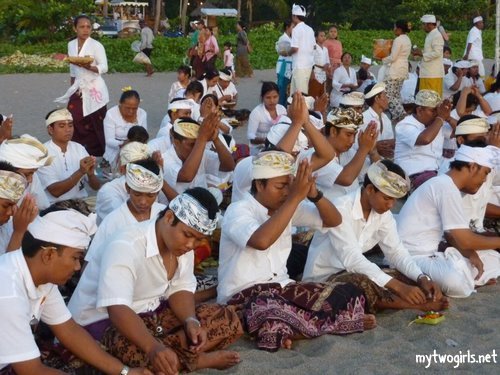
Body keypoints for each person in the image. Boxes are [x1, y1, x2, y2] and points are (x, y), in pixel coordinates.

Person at [69, 189, 243, 373]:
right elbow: (117, 309)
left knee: (228, 318)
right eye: (188, 235)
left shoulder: (182, 247)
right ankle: (196, 361)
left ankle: (176, 356)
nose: (191, 245)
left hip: (150, 315)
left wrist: (190, 321)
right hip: (104, 323)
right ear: (169, 218)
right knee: (136, 353)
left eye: (199, 240)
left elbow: (180, 288)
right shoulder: (126, 245)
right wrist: (153, 348)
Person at [218, 151, 375, 351]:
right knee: (266, 308)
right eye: (280, 186)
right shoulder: (238, 210)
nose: (286, 192)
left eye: (289, 186)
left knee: (349, 292)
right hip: (243, 296)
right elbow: (261, 240)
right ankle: (326, 325)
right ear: (259, 184)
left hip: (283, 289)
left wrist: (314, 194)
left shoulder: (288, 206)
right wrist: (294, 198)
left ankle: (291, 329)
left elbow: (334, 220)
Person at [0, 208, 151, 375]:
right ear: (48, 254)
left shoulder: (40, 279)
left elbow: (69, 330)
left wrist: (125, 372)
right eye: (75, 258)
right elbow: (31, 371)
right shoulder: (8, 292)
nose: (78, 267)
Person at [303, 160, 448, 313]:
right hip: (323, 278)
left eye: (394, 199)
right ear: (370, 189)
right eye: (387, 198)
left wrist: (422, 277)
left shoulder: (383, 215)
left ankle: (408, 296)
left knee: (403, 276)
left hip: (354, 271)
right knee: (361, 284)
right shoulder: (340, 208)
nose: (391, 205)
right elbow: (351, 258)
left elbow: (396, 252)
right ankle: (414, 305)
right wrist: (399, 287)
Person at [397, 145, 500, 297]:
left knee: (494, 260)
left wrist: (470, 253)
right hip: (412, 256)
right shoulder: (446, 188)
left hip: (431, 253)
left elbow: (452, 235)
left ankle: (468, 276)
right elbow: (465, 240)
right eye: (484, 173)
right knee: (455, 283)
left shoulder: (446, 184)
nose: (484, 180)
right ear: (472, 167)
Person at [86, 159, 165, 264]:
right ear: (128, 188)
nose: (143, 202)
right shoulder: (113, 221)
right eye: (137, 194)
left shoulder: (163, 215)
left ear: (157, 192)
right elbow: (92, 261)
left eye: (150, 195)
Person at [55, 14, 109, 156]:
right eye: (82, 27)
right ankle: (76, 152)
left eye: (88, 27)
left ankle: (99, 154)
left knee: (97, 122)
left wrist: (88, 67)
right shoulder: (71, 45)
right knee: (73, 118)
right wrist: (72, 88)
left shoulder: (96, 45)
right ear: (75, 29)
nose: (85, 30)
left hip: (95, 88)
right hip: (78, 88)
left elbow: (104, 67)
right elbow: (73, 70)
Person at [37, 109, 102, 204]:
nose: (68, 129)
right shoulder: (43, 153)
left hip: (81, 203)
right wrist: (81, 172)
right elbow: (55, 192)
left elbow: (96, 187)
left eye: (70, 125)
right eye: (62, 126)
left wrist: (91, 174)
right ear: (50, 130)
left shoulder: (79, 148)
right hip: (55, 207)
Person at [394, 90, 451, 191]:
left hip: (435, 173)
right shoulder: (405, 124)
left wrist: (447, 117)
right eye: (433, 110)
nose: (436, 114)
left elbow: (462, 132)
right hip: (411, 176)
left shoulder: (436, 123)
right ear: (419, 110)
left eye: (438, 110)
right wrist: (441, 117)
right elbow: (425, 139)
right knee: (439, 190)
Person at [162, 116, 235, 193]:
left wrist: (215, 139)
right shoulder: (164, 160)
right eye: (192, 144)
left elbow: (229, 166)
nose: (196, 147)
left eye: (197, 143)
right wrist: (202, 139)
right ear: (176, 142)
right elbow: (187, 176)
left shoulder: (201, 154)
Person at [0, 135, 51, 210]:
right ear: (8, 171)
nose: (30, 180)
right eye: (27, 175)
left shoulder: (32, 177)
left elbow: (42, 206)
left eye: (32, 173)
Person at [103, 89, 147, 170]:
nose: (131, 111)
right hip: (115, 150)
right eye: (127, 108)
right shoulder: (111, 114)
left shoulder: (142, 114)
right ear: (120, 103)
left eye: (134, 108)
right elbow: (109, 140)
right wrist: (123, 144)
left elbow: (143, 135)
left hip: (136, 148)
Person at [382, 20, 412, 122]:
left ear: (399, 29)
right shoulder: (407, 39)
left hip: (395, 69)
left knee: (388, 94)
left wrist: (382, 59)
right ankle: (396, 116)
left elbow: (393, 57)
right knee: (396, 94)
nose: (393, 30)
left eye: (394, 27)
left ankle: (402, 114)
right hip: (403, 69)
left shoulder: (398, 40)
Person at [247, 82, 287, 155]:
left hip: (279, 146)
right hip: (259, 149)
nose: (272, 101)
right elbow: (250, 136)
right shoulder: (256, 113)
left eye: (275, 97)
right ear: (262, 97)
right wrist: (266, 140)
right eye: (268, 97)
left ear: (279, 96)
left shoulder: (282, 109)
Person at [412, 14, 445, 96]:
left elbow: (437, 53)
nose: (422, 27)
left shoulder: (436, 35)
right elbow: (430, 51)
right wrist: (419, 52)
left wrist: (422, 53)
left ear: (429, 24)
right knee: (425, 99)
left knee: (432, 100)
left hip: (433, 74)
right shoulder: (431, 34)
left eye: (423, 24)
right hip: (427, 73)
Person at [0, 164, 28, 254]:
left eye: (13, 206)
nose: (10, 212)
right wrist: (18, 233)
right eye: (5, 206)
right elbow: (7, 267)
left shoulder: (8, 224)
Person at [362, 83, 395, 159]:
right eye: (385, 96)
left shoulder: (386, 118)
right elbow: (356, 146)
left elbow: (389, 142)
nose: (388, 99)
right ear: (377, 99)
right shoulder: (364, 118)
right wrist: (374, 147)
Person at [289, 4, 315, 94]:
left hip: (299, 66)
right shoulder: (310, 29)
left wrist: (288, 52)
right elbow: (313, 47)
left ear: (295, 16)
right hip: (308, 65)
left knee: (299, 94)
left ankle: (302, 108)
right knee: (299, 91)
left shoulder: (296, 30)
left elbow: (295, 48)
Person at [275, 20, 294, 106]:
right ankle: (279, 109)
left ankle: (285, 108)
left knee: (287, 90)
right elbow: (282, 52)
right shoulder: (283, 38)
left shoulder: (291, 38)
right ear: (287, 27)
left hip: (289, 66)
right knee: (282, 89)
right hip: (284, 66)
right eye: (292, 27)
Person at [309, 30, 330, 98]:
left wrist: (327, 65)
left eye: (324, 36)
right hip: (315, 72)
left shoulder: (325, 49)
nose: (323, 37)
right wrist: (312, 72)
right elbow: (310, 60)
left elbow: (328, 61)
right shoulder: (313, 47)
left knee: (322, 94)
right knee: (314, 94)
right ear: (316, 38)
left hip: (323, 73)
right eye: (321, 36)